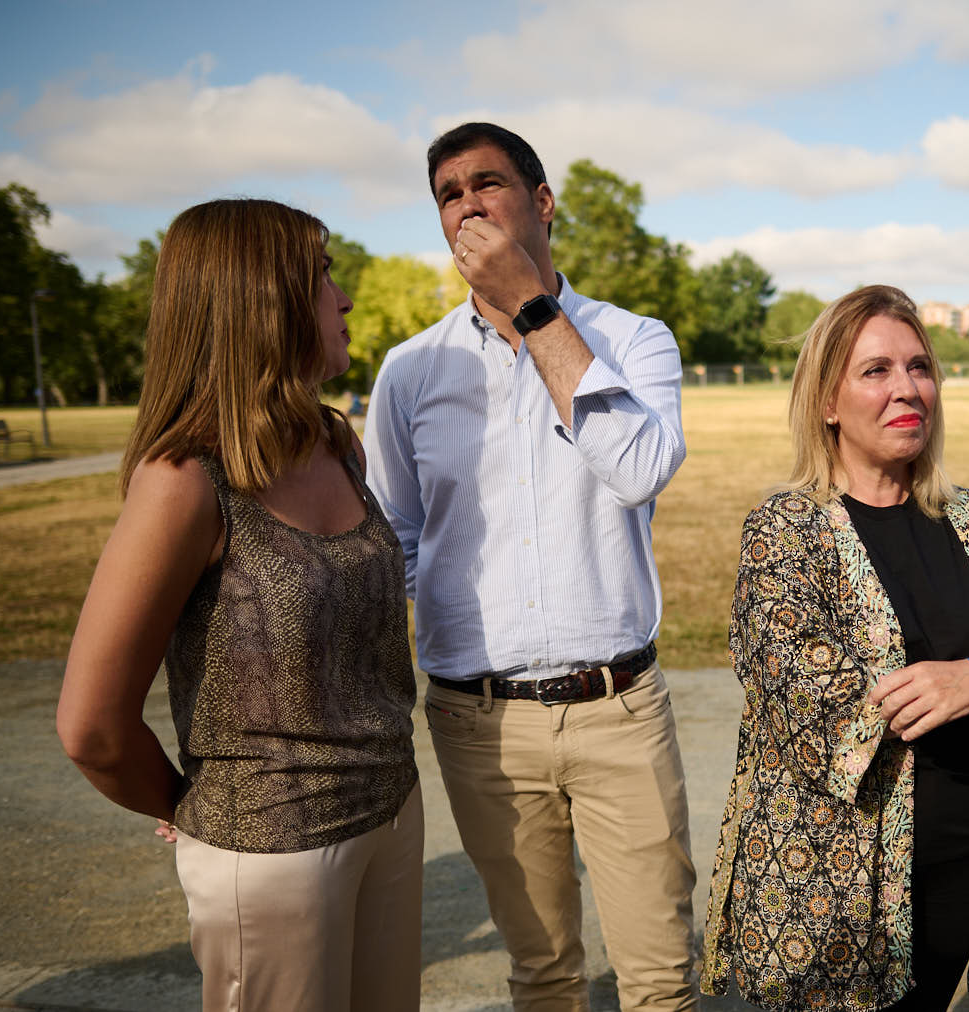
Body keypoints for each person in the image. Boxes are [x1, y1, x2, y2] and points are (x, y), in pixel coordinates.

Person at [56, 198, 422, 1012]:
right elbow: (91, 727)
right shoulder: (183, 482)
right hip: (271, 855)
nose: (346, 298)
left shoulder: (336, 443)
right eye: (324, 274)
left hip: (393, 815)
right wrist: (191, 806)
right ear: (266, 301)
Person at [362, 122, 695, 1012]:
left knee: (661, 981)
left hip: (619, 708)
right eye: (447, 194)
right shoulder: (408, 370)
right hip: (482, 725)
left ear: (542, 204)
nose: (466, 204)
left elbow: (636, 471)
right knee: (543, 977)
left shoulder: (636, 339)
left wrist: (534, 310)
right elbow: (389, 539)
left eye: (487, 183)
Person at [700, 284, 969, 1012]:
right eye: (876, 370)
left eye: (919, 367)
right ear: (827, 401)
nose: (907, 389)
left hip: (963, 862)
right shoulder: (786, 532)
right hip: (829, 900)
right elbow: (830, 710)